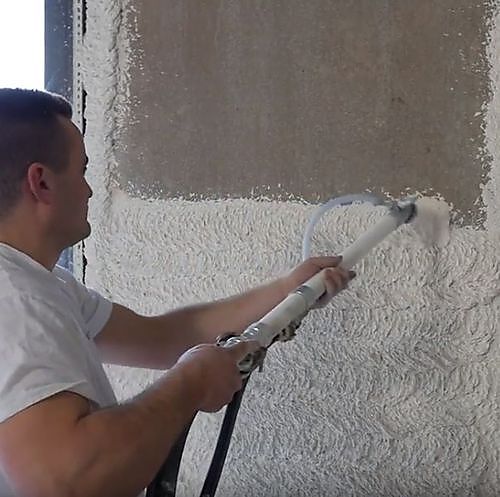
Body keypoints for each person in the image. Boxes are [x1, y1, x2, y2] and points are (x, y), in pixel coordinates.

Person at [0, 88, 354, 497]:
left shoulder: (47, 285)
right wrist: (190, 383)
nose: (89, 191)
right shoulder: (15, 297)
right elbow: (66, 482)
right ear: (42, 182)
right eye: (81, 171)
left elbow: (163, 338)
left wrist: (287, 289)